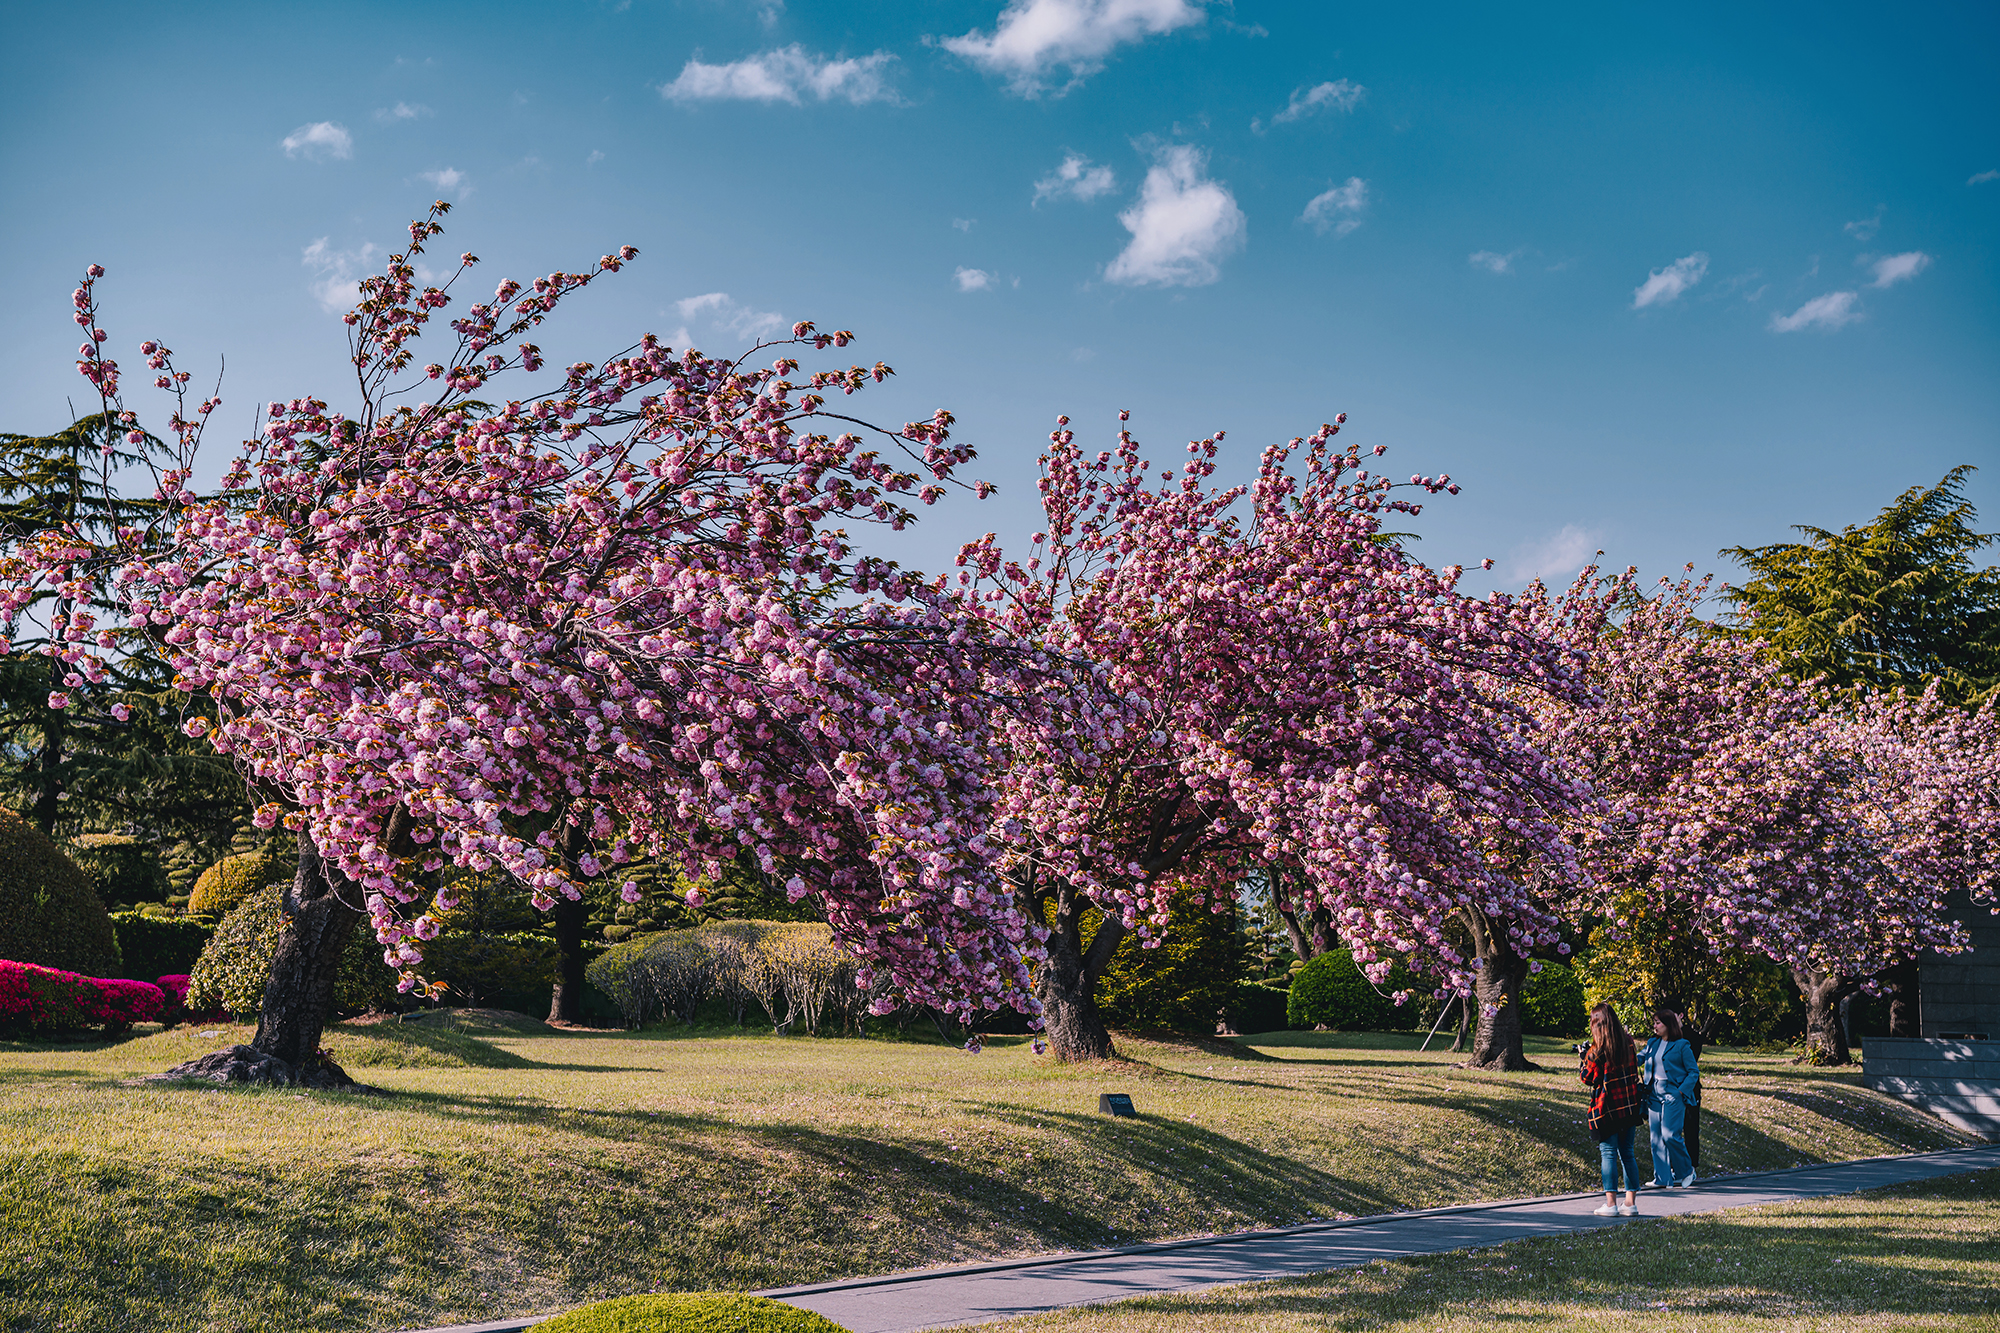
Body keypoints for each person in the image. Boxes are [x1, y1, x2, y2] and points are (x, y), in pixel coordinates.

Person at [1579, 1002, 1644, 1217]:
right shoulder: (1628, 1042)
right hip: (1629, 1105)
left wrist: (1583, 1059)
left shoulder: (1596, 1050)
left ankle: (1610, 1204)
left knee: (1608, 1153)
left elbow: (1587, 1078)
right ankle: (1630, 1203)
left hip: (1606, 1108)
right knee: (1627, 1153)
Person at [1640, 1006, 1700, 1187]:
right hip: (1653, 1093)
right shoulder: (1652, 1043)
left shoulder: (1682, 1045)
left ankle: (1687, 1171)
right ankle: (1662, 1178)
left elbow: (1693, 1072)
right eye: (1654, 1023)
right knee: (1656, 1137)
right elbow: (1637, 1058)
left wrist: (1681, 1092)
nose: (1655, 1026)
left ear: (1668, 1025)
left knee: (1669, 1135)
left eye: (1658, 1023)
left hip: (1673, 1093)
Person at [1678, 1011, 1704, 1170]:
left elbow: (1691, 1066)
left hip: (1689, 1089)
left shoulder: (1691, 1037)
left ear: (1680, 1015)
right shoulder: (1663, 1037)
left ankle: (1691, 1166)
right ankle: (1676, 1166)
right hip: (1671, 1090)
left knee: (1690, 1127)